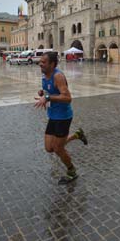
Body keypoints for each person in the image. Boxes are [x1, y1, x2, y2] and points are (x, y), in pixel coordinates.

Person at [34, 51, 87, 184]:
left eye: (44, 62)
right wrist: (43, 93)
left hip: (63, 117)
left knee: (58, 148)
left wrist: (47, 97)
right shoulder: (44, 76)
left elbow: (68, 98)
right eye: (40, 61)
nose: (40, 64)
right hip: (53, 115)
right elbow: (49, 91)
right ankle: (77, 135)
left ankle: (71, 171)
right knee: (49, 148)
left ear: (52, 64)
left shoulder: (58, 76)